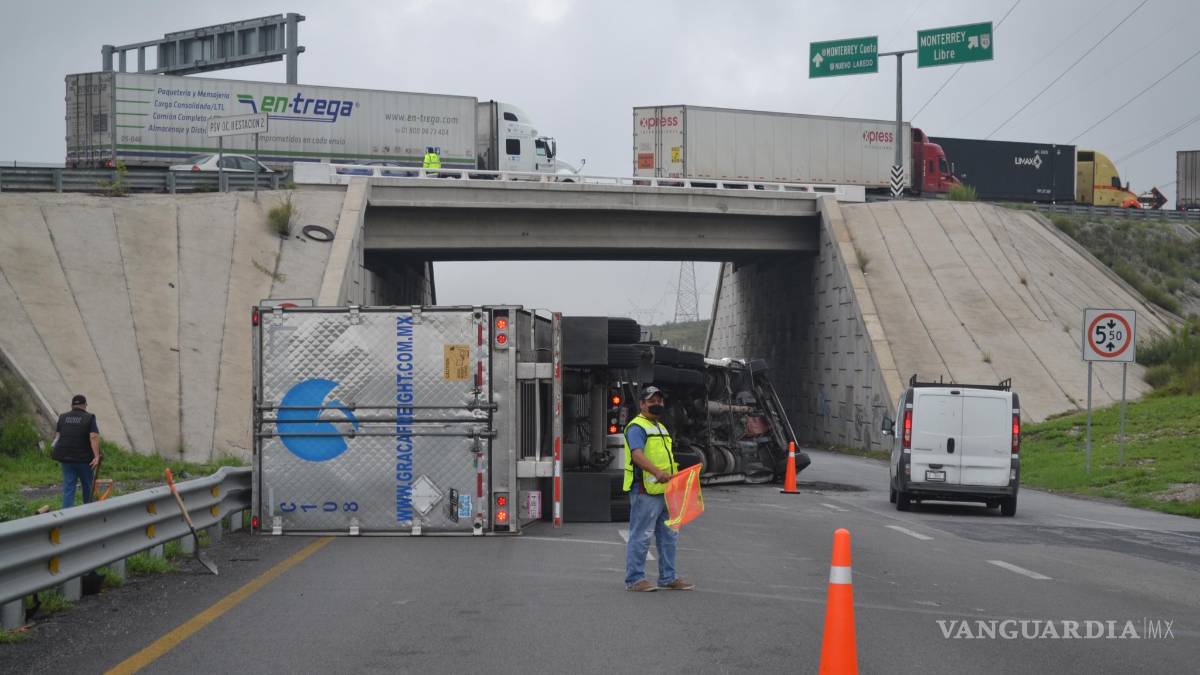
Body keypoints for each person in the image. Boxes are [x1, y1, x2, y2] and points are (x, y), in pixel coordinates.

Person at [623, 385, 695, 592]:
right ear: (642, 404)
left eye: (659, 401)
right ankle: (635, 580)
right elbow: (637, 456)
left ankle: (668, 577)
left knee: (669, 535)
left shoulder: (660, 427)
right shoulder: (637, 427)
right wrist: (657, 472)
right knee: (641, 535)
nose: (657, 404)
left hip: (666, 490)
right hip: (646, 490)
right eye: (652, 401)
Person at [51, 394, 101, 509]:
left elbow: (58, 437)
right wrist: (96, 456)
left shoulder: (62, 417)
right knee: (87, 487)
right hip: (84, 460)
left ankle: (66, 517)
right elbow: (93, 436)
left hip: (66, 459)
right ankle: (88, 514)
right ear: (85, 405)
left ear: (72, 405)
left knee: (69, 488)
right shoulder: (89, 417)